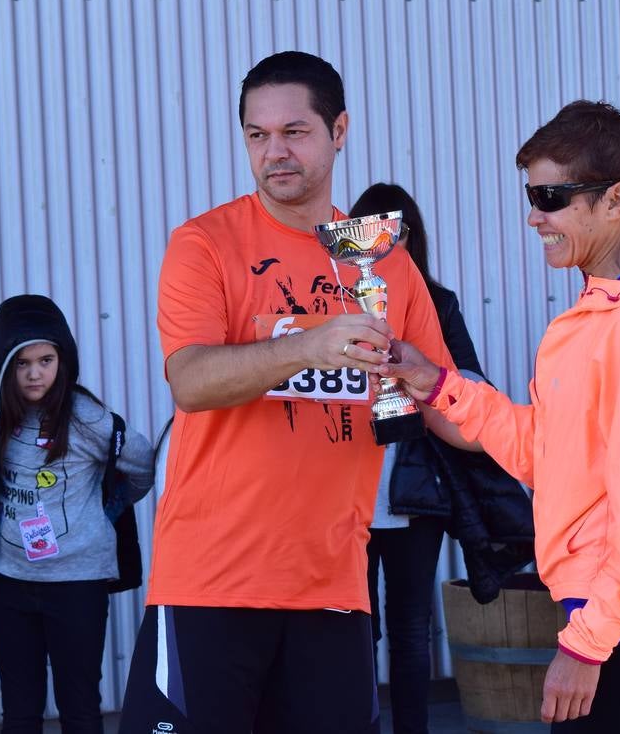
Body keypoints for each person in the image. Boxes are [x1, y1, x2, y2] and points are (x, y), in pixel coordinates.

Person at [381, 101, 620, 732]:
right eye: (532, 196)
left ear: (616, 200)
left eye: (553, 196)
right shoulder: (599, 316)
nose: (536, 217)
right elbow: (549, 451)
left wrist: (588, 642)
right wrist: (438, 385)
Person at [117, 51, 454, 734]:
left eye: (295, 132)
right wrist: (309, 343)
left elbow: (448, 409)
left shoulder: (382, 255)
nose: (275, 152)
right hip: (210, 582)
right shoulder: (204, 243)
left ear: (340, 130)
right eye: (257, 135)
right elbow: (191, 381)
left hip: (332, 586)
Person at [348, 182, 532, 734]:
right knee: (357, 629)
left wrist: (426, 369)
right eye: (372, 228)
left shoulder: (436, 300)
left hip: (414, 492)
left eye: (396, 229)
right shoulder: (335, 298)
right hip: (347, 493)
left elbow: (473, 385)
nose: (385, 240)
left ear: (410, 236)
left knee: (409, 628)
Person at [0, 294, 154, 734]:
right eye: (21, 363)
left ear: (63, 360)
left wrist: (105, 511)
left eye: (45, 359)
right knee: (20, 710)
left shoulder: (88, 418)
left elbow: (141, 466)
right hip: (10, 581)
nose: (34, 373)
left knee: (79, 706)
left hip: (77, 584)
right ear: (4, 366)